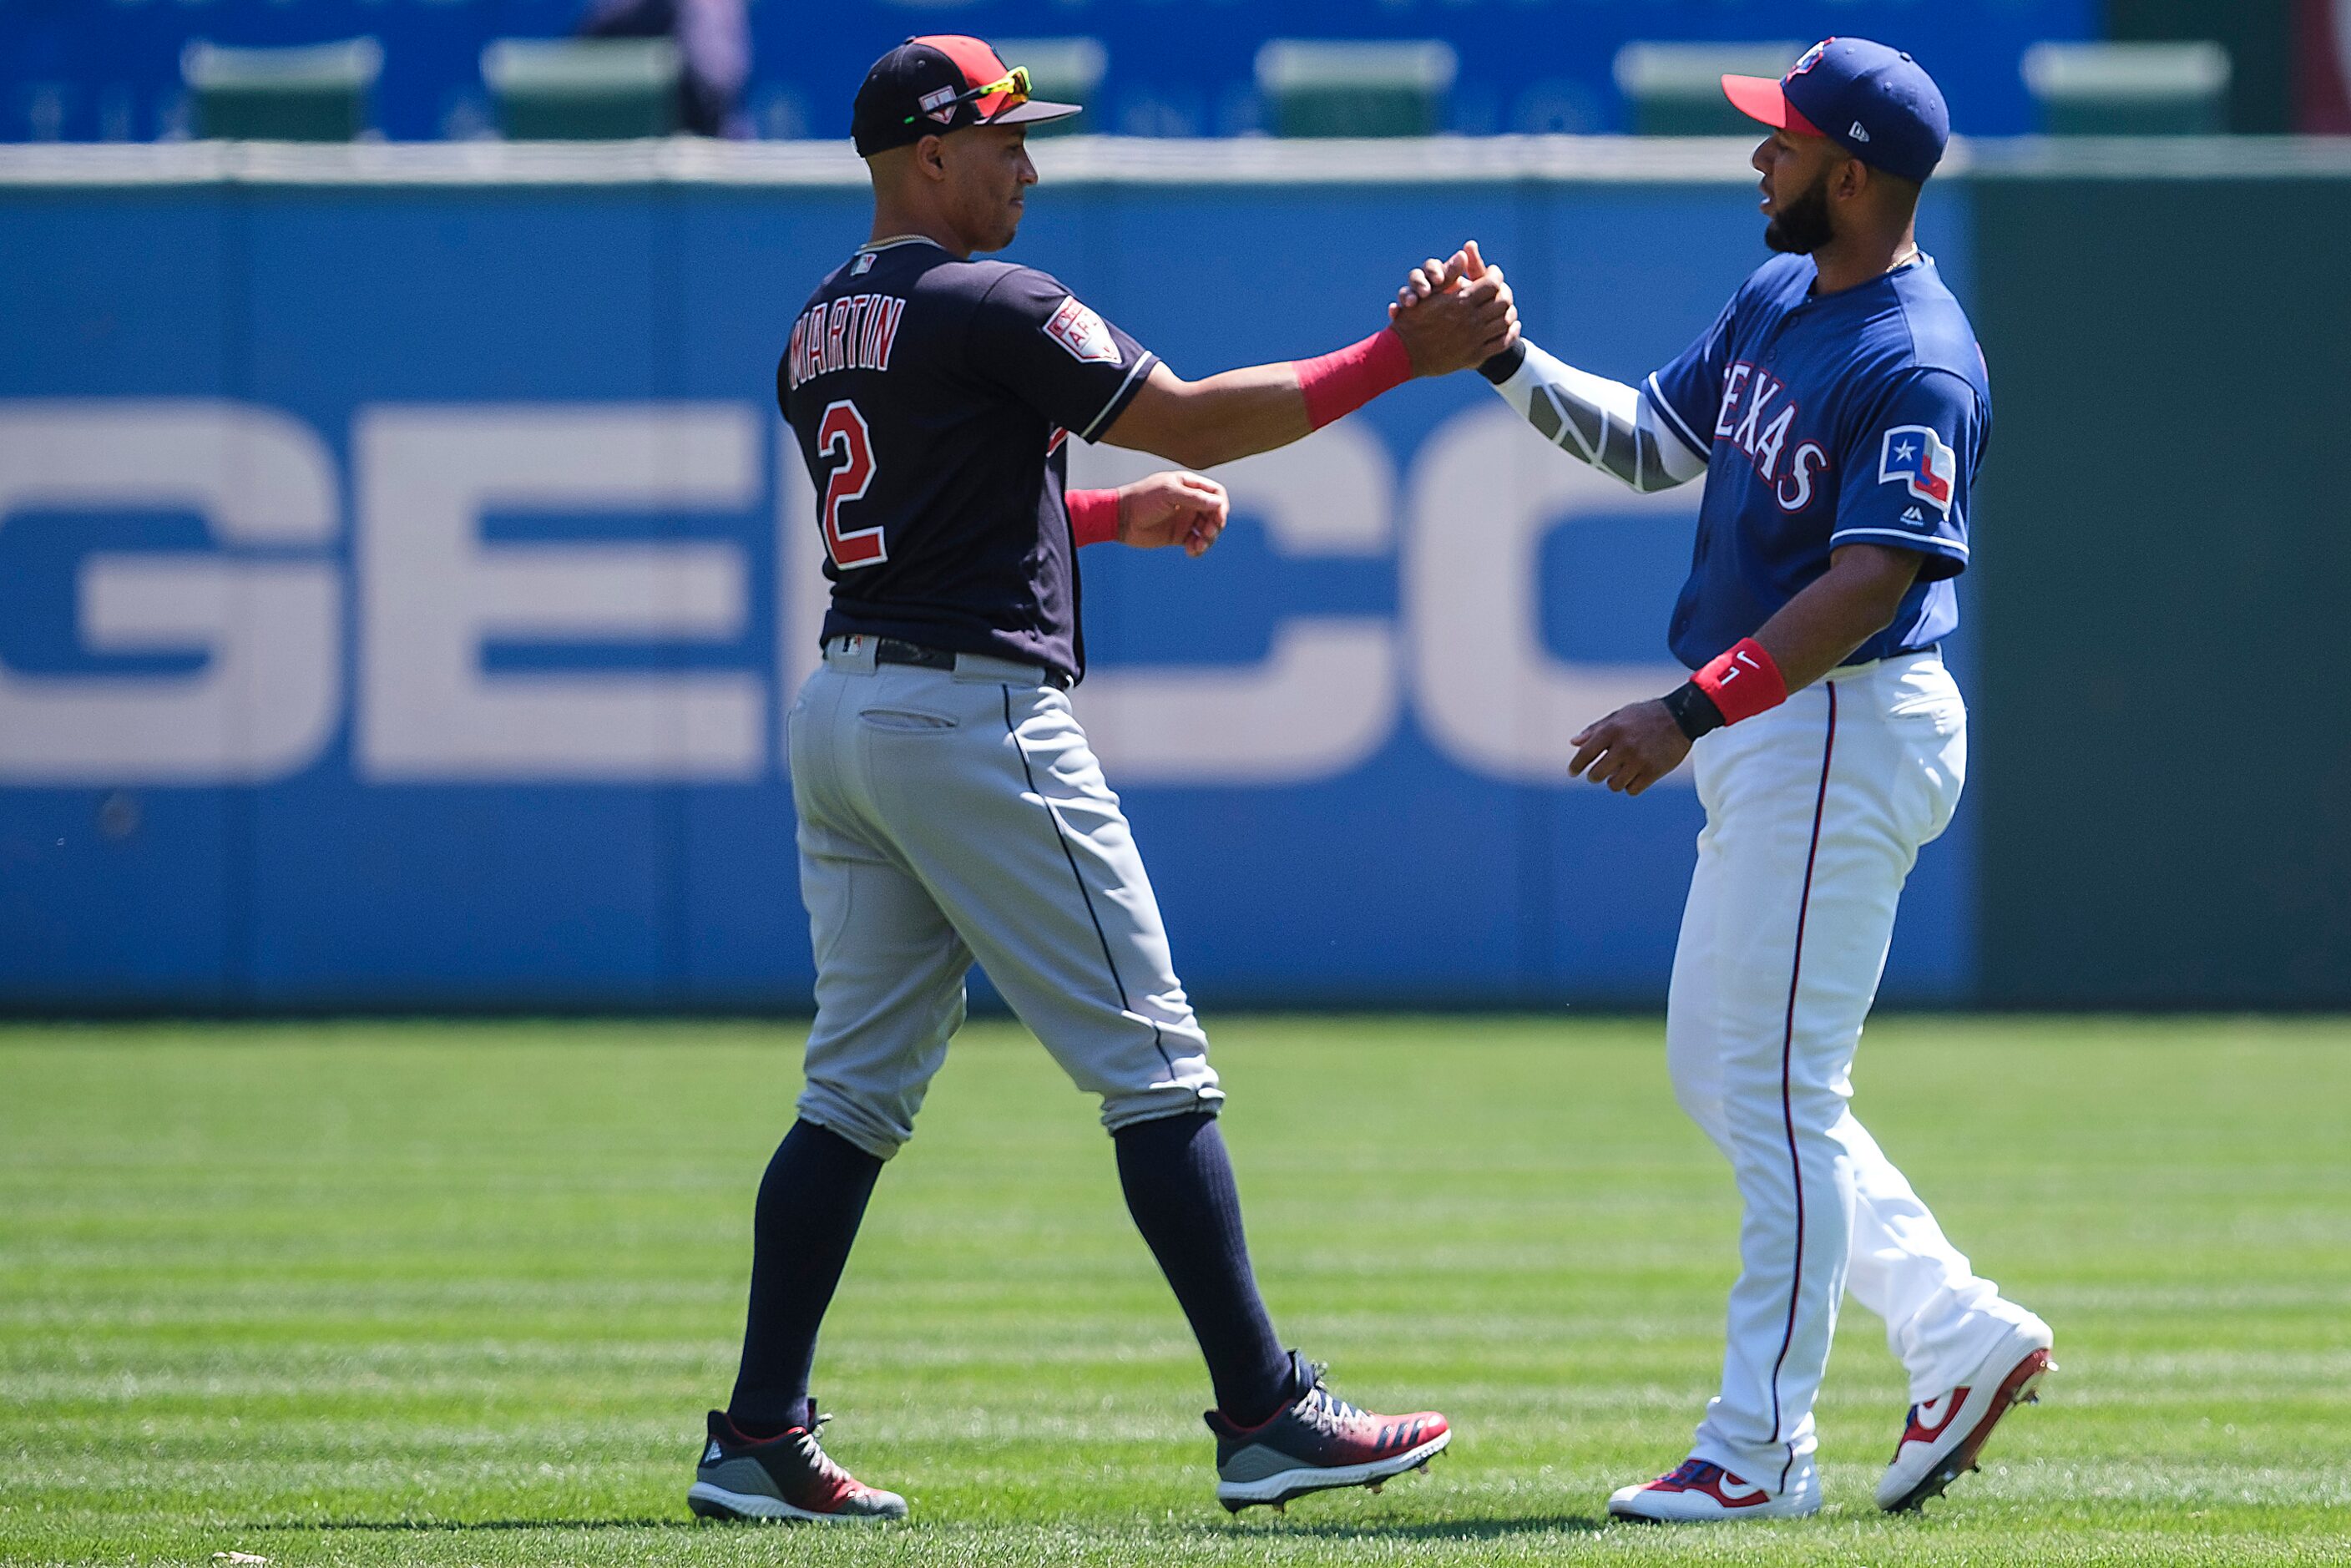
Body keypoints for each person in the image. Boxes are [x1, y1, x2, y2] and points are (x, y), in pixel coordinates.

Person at [690, 34, 1517, 1525]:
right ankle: (1264, 1409)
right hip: (972, 718)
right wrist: (1406, 357)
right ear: (924, 155)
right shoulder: (990, 295)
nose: (1027, 161)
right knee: (1155, 1063)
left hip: (849, 709)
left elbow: (941, 495)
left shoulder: (816, 325)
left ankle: (756, 1432)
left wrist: (1104, 515)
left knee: (852, 1094)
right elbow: (1199, 414)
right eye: (1002, 138)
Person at [1398, 38, 2053, 1522]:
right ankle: (1955, 1325)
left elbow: (1869, 588)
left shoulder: (1915, 356)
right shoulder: (1779, 293)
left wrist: (1687, 712)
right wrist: (1506, 360)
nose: (1761, 156)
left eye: (1786, 139)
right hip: (1789, 729)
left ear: (1857, 173)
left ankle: (1758, 1452)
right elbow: (1650, 445)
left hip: (1841, 718)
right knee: (1732, 1071)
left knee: (1773, 1085)